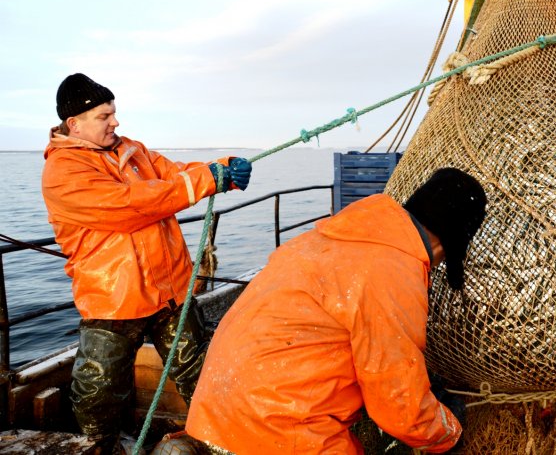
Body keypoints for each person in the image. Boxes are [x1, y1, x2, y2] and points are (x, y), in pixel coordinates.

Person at [184, 167, 487, 454]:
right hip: (277, 429)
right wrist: (450, 432)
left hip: (214, 412)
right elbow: (401, 408)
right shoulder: (393, 271)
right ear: (447, 245)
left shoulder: (330, 237)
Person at [41, 73, 253, 449]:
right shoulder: (63, 171)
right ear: (74, 124)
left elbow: (175, 175)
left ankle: (218, 436)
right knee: (99, 388)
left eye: (114, 113)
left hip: (169, 289)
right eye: (104, 116)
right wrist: (207, 180)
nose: (116, 122)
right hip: (114, 301)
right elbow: (129, 205)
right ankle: (102, 446)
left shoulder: (133, 150)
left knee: (197, 368)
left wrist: (224, 167)